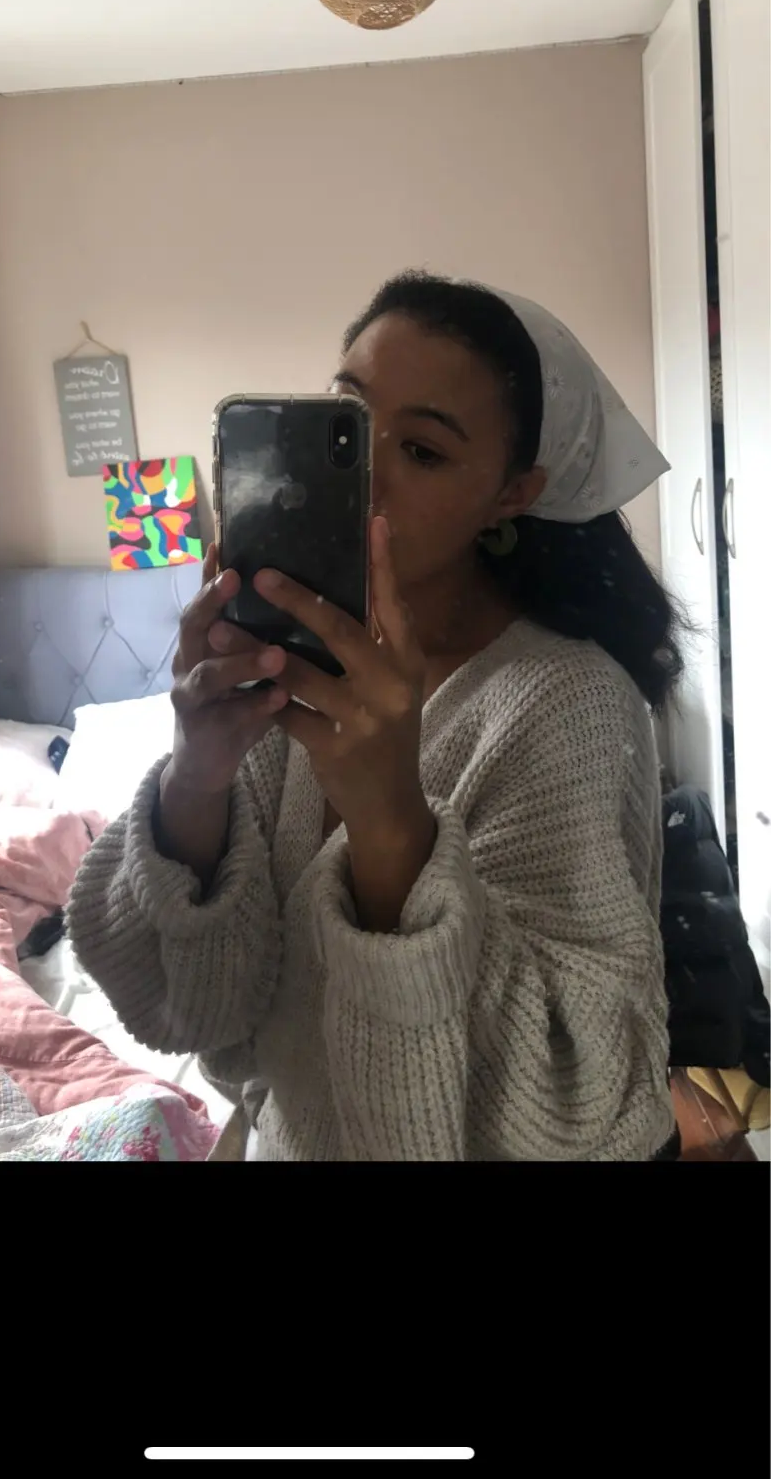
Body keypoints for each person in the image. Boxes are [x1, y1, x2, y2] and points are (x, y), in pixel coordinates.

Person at [68, 274, 682, 1161]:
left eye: (423, 451)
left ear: (511, 494)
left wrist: (390, 817)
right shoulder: (284, 666)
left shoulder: (568, 703)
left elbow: (570, 1097)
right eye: (349, 423)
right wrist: (195, 778)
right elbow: (193, 1012)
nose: (365, 478)